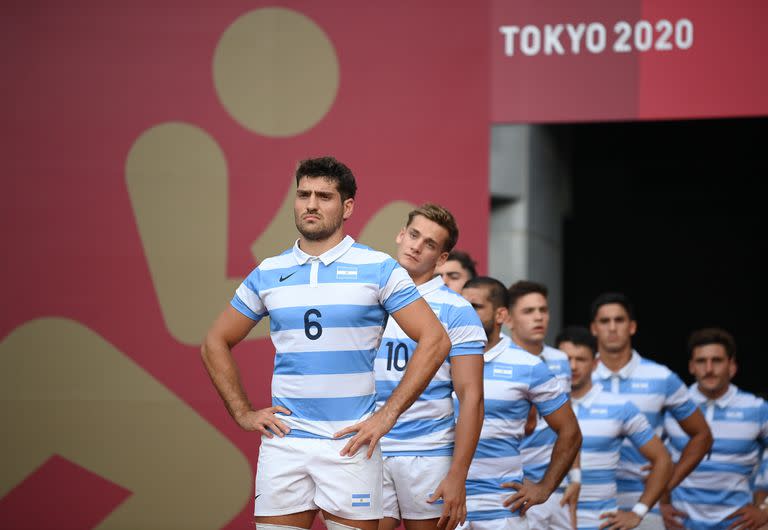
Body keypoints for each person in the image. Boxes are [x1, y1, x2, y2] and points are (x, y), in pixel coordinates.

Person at [200, 156, 452, 530]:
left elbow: (435, 339)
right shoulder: (268, 271)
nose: (311, 204)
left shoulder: (379, 268)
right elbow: (214, 342)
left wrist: (387, 416)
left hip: (349, 445)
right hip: (285, 444)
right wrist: (243, 413)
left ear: (347, 206)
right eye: (303, 195)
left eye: (324, 196)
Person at [375, 204, 486, 530]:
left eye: (429, 244)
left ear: (441, 258)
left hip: (427, 454)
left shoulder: (457, 310)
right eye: (413, 235)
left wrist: (457, 475)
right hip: (370, 447)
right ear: (400, 234)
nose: (416, 246)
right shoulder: (369, 298)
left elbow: (472, 399)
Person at [459, 277, 581, 529]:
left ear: (501, 314)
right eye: (461, 305)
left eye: (475, 306)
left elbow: (570, 431)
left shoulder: (529, 365)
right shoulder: (442, 358)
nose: (464, 312)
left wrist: (545, 488)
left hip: (503, 511)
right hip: (449, 508)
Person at [589, 292, 713, 530]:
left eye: (619, 320)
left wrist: (667, 482)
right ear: (594, 328)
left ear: (632, 326)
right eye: (605, 321)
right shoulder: (579, 377)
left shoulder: (661, 377)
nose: (612, 328)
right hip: (587, 503)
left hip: (645, 506)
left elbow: (702, 435)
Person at [556, 325, 673, 530]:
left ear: (595, 363)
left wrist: (637, 513)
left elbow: (663, 459)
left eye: (581, 359)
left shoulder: (620, 407)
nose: (572, 366)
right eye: (566, 359)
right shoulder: (538, 405)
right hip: (549, 522)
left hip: (601, 524)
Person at [660, 328, 768, 530]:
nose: (709, 369)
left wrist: (765, 509)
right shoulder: (672, 406)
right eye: (701, 361)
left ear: (732, 366)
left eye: (717, 361)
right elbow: (645, 460)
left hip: (739, 525)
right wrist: (660, 505)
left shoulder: (757, 409)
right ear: (691, 366)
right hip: (680, 524)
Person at [508, 280, 580, 530]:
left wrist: (575, 477)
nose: (539, 317)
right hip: (517, 487)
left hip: (556, 485)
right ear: (508, 319)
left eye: (543, 310)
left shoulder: (561, 360)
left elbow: (570, 425)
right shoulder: (497, 360)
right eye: (528, 311)